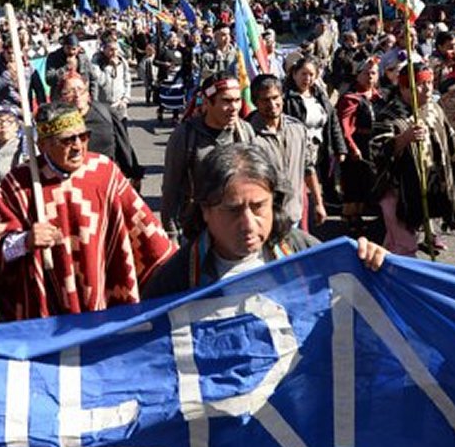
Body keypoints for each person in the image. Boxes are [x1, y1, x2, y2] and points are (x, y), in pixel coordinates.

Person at [0, 102, 176, 320]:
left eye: (83, 136)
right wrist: (26, 240)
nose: (78, 146)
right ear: (44, 144)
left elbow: (145, 229)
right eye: (67, 140)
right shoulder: (19, 183)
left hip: (105, 295)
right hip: (47, 303)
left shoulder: (104, 172)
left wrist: (179, 266)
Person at [143, 143, 387, 298]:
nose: (249, 224)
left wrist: (371, 265)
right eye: (233, 210)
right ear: (205, 210)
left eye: (258, 207)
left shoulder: (303, 252)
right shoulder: (175, 281)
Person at [370, 61, 455, 256]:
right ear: (403, 88)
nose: (426, 88)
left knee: (398, 241)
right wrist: (404, 138)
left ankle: (386, 264)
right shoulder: (389, 115)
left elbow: (451, 140)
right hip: (400, 191)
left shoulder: (434, 109)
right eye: (420, 84)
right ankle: (402, 279)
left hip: (429, 187)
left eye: (429, 83)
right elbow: (376, 150)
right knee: (404, 245)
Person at [162, 75, 260, 241]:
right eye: (226, 101)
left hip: (238, 226)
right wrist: (170, 233)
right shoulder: (185, 135)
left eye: (237, 100)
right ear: (207, 103)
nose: (234, 107)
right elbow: (171, 187)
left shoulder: (245, 131)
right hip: (198, 229)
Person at [248, 74, 326, 229]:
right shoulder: (247, 134)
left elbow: (308, 168)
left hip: (292, 214)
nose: (272, 104)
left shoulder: (297, 129)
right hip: (261, 220)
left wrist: (318, 203)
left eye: (275, 97)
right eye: (265, 100)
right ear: (255, 102)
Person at [283, 56, 347, 209]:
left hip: (320, 149)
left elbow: (333, 122)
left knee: (320, 183)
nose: (307, 78)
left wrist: (340, 148)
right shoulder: (287, 99)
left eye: (311, 74)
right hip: (298, 150)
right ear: (294, 74)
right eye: (303, 74)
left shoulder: (320, 96)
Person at [56, 72, 144, 182]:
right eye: (69, 92)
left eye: (80, 90)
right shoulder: (58, 124)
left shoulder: (104, 113)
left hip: (107, 179)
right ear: (61, 97)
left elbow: (124, 145)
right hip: (76, 182)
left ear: (88, 94)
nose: (77, 95)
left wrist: (134, 174)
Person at [336, 57, 382, 222]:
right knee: (354, 181)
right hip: (357, 144)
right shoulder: (350, 98)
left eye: (373, 73)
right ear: (358, 75)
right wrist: (352, 147)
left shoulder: (380, 97)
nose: (370, 76)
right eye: (366, 73)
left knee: (368, 181)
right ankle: (350, 217)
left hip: (374, 145)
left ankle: (363, 214)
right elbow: (344, 126)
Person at [0, 35, 46, 110]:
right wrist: (8, 75)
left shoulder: (28, 67)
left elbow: (39, 89)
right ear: (4, 51)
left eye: (15, 53)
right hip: (4, 107)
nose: (12, 56)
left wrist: (42, 106)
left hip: (25, 108)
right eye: (9, 53)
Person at [44, 33, 95, 99]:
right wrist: (66, 68)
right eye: (68, 48)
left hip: (80, 97)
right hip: (61, 98)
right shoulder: (53, 57)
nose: (71, 52)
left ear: (78, 48)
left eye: (74, 49)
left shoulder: (83, 57)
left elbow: (93, 78)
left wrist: (93, 97)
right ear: (63, 47)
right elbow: (49, 79)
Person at [91, 39, 132, 120]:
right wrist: (110, 67)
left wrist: (125, 99)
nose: (114, 53)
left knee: (122, 131)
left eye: (116, 49)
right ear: (104, 49)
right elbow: (100, 81)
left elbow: (127, 81)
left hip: (119, 104)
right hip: (103, 105)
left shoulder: (122, 62)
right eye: (111, 50)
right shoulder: (97, 63)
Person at [155, 32, 187, 123]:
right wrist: (165, 64)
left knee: (177, 96)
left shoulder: (180, 50)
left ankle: (175, 116)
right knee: (166, 96)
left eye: (175, 39)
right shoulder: (163, 50)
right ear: (168, 40)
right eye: (172, 39)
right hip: (166, 77)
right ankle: (160, 110)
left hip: (178, 77)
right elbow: (155, 61)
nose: (174, 40)